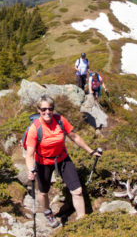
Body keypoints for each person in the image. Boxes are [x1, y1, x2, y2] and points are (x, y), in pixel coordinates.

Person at [25, 95, 102, 227]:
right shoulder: (35, 128)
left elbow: (74, 137)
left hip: (62, 158)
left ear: (53, 109)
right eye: (43, 109)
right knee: (43, 192)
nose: (47, 112)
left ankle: (82, 220)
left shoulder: (60, 120)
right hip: (43, 162)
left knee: (77, 191)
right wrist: (31, 169)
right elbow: (29, 154)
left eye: (50, 108)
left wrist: (90, 151)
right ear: (38, 110)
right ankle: (48, 212)